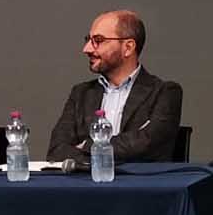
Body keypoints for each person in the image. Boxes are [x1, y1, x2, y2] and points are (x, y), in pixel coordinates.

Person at [46, 10, 183, 165]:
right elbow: (57, 151)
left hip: (141, 187)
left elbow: (147, 147)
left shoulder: (164, 93)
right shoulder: (81, 94)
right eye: (88, 39)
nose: (87, 49)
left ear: (128, 47)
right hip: (86, 186)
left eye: (98, 40)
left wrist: (87, 146)